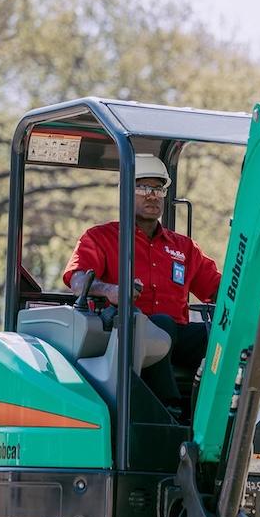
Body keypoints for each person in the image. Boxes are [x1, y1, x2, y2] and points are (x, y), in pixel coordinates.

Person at [62, 154, 221, 405]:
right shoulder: (100, 237)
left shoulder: (184, 248)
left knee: (219, 334)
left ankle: (216, 412)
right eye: (143, 187)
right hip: (121, 334)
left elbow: (218, 289)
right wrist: (111, 290)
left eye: (158, 189)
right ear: (125, 192)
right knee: (159, 324)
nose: (152, 195)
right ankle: (169, 409)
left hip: (174, 335)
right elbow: (78, 280)